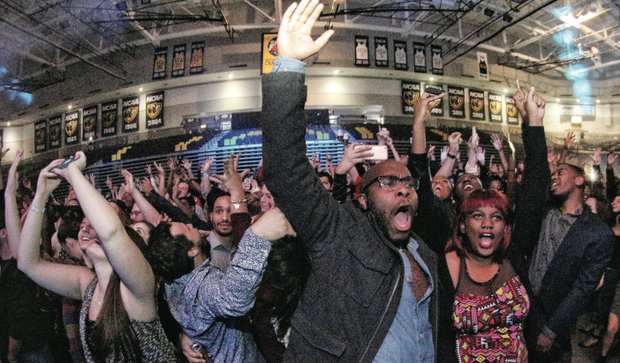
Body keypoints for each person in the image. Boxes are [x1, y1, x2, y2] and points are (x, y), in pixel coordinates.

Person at [261, 0, 438, 360]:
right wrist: (288, 66)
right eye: (386, 184)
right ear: (361, 199)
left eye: (406, 182)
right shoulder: (338, 234)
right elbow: (284, 168)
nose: (403, 186)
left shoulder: (425, 252)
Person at [17, 151, 177, 362]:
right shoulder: (88, 284)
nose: (91, 226)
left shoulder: (140, 285)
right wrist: (41, 194)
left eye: (135, 232)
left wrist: (73, 171)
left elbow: (111, 232)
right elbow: (27, 263)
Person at [508, 84, 615, 361]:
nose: (553, 176)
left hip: (551, 319)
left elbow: (582, 289)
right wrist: (531, 120)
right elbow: (534, 171)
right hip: (518, 304)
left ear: (580, 180)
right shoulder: (544, 209)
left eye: (561, 171)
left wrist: (553, 329)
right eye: (552, 173)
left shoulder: (598, 234)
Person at [150, 207, 295, 363]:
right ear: (192, 250)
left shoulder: (172, 282)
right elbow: (233, 298)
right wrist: (256, 236)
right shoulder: (201, 289)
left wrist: (187, 335)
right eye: (187, 228)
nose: (191, 225)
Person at [444, 190, 529, 362]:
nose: (487, 224)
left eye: (496, 217)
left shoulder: (513, 259)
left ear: (505, 228)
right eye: (477, 216)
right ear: (462, 225)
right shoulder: (449, 265)